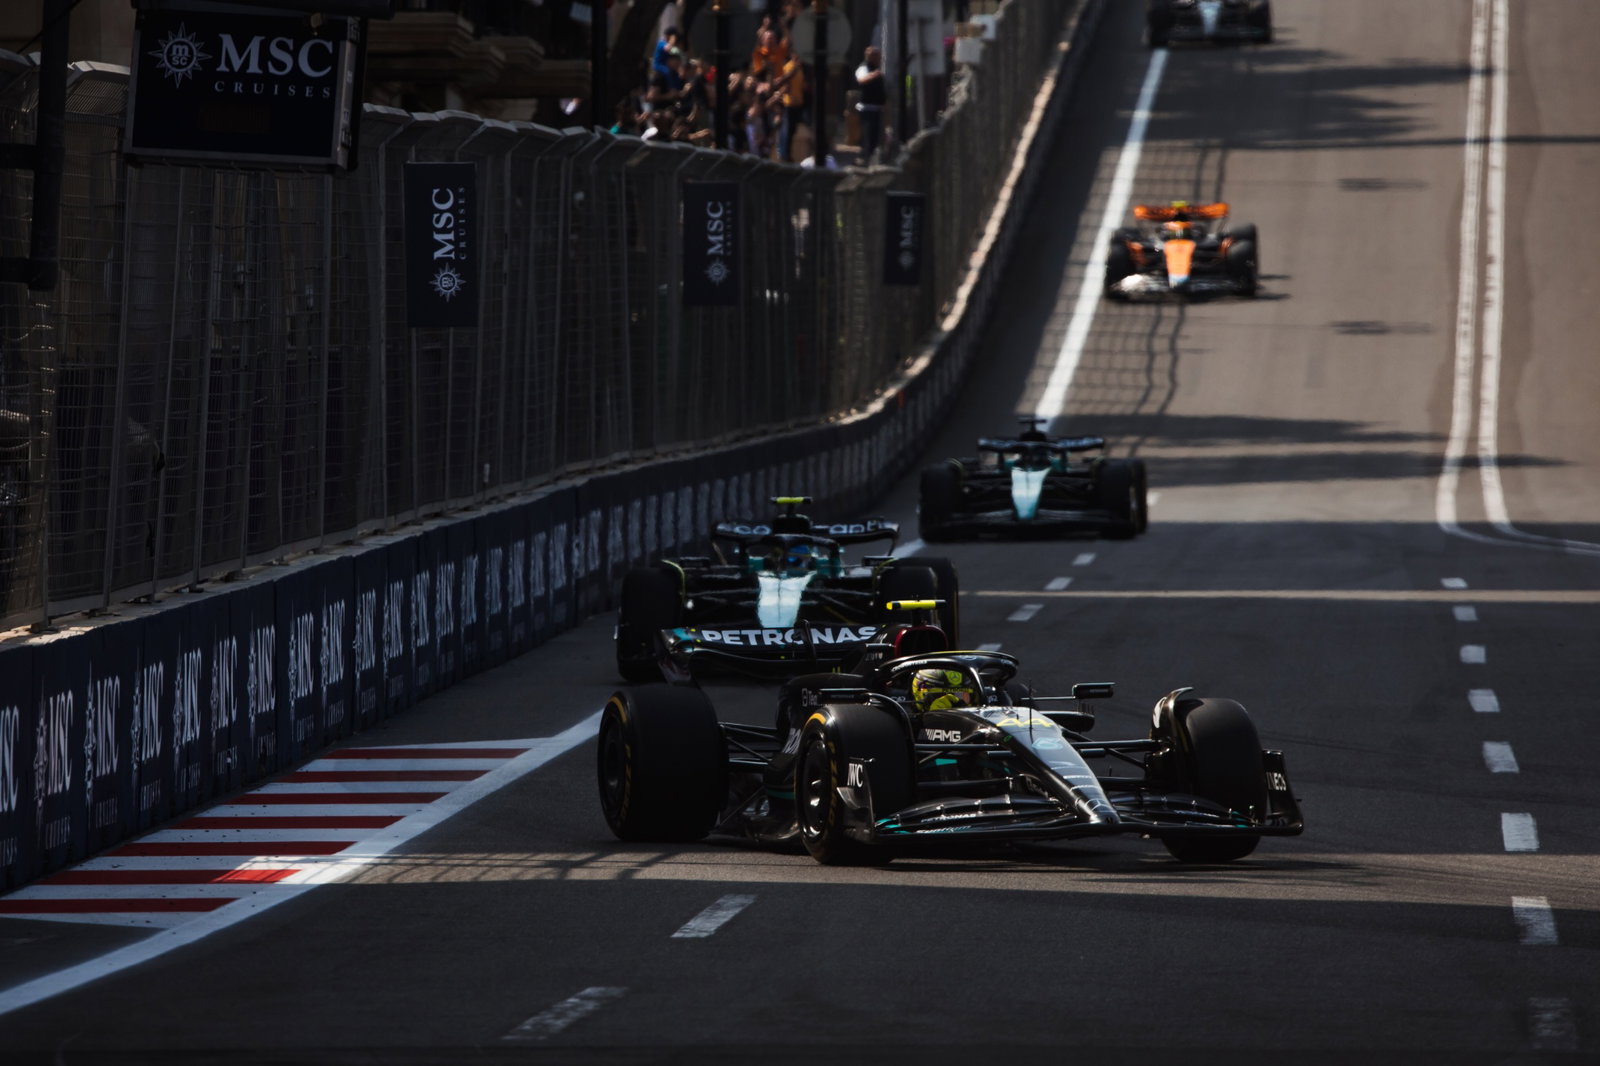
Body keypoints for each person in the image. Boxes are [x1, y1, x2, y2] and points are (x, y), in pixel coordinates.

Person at [854, 46, 886, 163]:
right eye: (876, 56)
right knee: (868, 135)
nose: (879, 58)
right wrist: (874, 75)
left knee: (875, 136)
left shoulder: (876, 68)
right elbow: (861, 79)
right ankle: (865, 158)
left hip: (876, 108)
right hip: (867, 108)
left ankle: (870, 157)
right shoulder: (864, 67)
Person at [910, 668, 978, 713]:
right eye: (940, 695)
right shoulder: (905, 720)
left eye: (959, 694)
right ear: (920, 693)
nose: (953, 703)